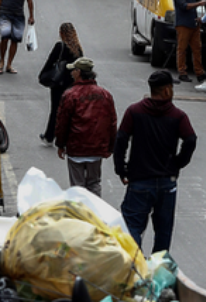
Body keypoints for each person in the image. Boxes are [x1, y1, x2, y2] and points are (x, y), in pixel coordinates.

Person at [114, 70, 197, 253]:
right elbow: (190, 139)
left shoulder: (134, 111)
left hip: (139, 180)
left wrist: (122, 169)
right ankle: (158, 270)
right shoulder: (178, 116)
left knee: (133, 227)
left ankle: (135, 267)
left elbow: (121, 139)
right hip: (167, 182)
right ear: (166, 90)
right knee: (163, 231)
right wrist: (177, 163)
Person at [55, 57, 117, 197]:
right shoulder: (105, 95)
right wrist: (110, 147)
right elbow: (112, 122)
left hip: (77, 149)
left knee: (77, 187)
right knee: (94, 184)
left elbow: (62, 123)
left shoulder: (70, 95)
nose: (71, 73)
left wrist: (60, 144)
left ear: (78, 72)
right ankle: (94, 214)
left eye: (73, 71)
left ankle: (79, 215)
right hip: (96, 149)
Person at [39, 22, 83, 146]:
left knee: (56, 110)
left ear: (61, 33)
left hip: (58, 83)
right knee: (71, 111)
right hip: (73, 84)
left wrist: (43, 75)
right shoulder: (78, 49)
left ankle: (49, 136)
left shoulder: (60, 46)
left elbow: (50, 61)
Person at [173, 0, 206, 82]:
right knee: (182, 49)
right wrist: (199, 3)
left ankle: (199, 72)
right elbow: (184, 6)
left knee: (197, 48)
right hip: (183, 24)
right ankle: (182, 71)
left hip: (193, 23)